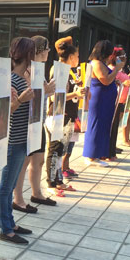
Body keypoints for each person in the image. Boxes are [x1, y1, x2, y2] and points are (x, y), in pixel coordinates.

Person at [0, 37, 37, 245]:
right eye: (34, 53)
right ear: (29, 55)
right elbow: (4, 111)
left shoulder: (22, 79)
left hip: (21, 139)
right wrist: (21, 99)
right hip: (12, 140)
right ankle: (6, 228)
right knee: (6, 186)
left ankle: (10, 223)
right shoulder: (11, 80)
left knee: (10, 185)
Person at [13, 35, 56, 208]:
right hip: (28, 123)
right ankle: (18, 198)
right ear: (38, 50)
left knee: (38, 160)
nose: (48, 52)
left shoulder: (39, 69)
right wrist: (45, 90)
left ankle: (36, 193)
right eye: (47, 48)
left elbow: (41, 93)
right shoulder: (27, 70)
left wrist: (52, 90)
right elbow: (29, 95)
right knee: (23, 163)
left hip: (38, 120)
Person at [46, 37, 83, 194]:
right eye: (78, 56)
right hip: (58, 114)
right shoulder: (59, 70)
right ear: (72, 56)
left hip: (67, 114)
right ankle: (51, 183)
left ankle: (58, 180)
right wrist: (75, 92)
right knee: (55, 149)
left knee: (61, 150)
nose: (79, 59)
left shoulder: (68, 70)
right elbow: (54, 97)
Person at [83, 40, 123, 167]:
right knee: (96, 125)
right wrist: (117, 70)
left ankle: (97, 154)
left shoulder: (100, 63)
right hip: (100, 98)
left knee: (103, 125)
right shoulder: (97, 63)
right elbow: (105, 80)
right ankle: (91, 155)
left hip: (105, 98)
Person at [106, 46, 130, 160]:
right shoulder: (111, 68)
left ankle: (112, 150)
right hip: (113, 101)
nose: (124, 58)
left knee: (115, 126)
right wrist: (122, 83)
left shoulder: (119, 69)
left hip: (120, 100)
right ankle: (108, 151)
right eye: (122, 56)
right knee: (111, 127)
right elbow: (111, 81)